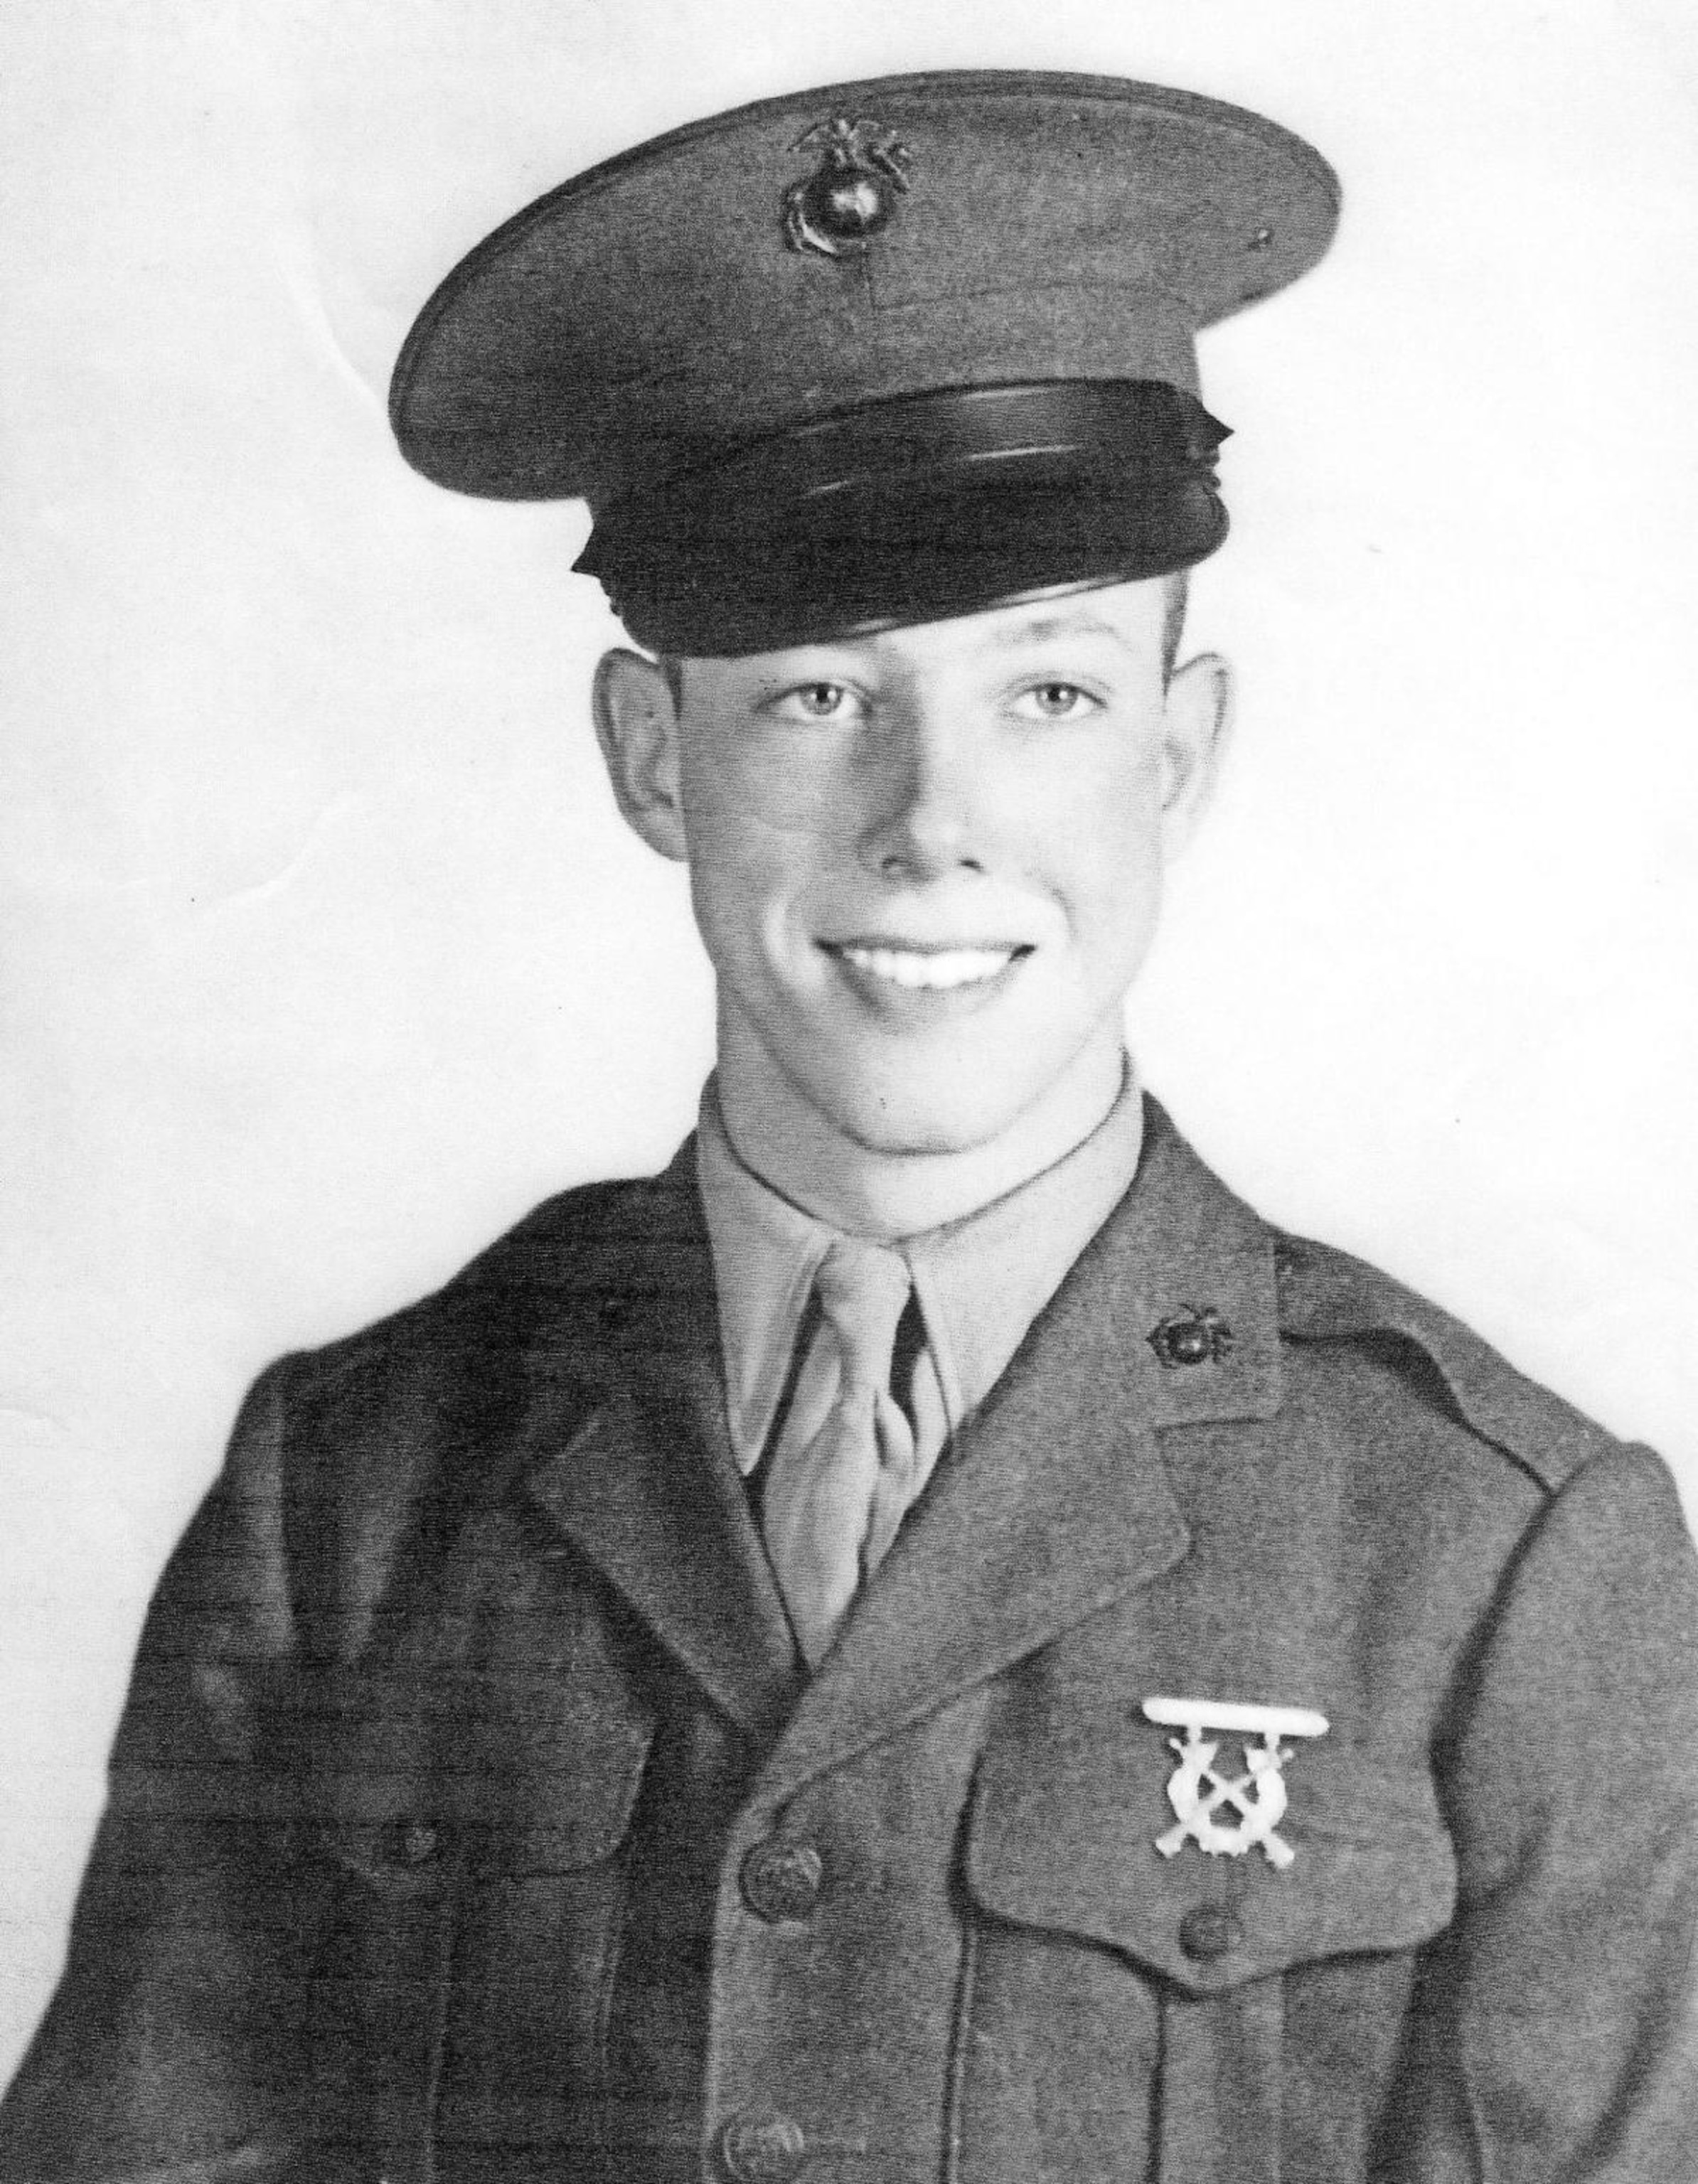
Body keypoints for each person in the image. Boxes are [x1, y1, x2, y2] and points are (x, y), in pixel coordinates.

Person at [2, 68, 1694, 2184]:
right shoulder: (349, 1497)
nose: (932, 825)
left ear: (1175, 759)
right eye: (816, 693)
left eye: (1046, 695)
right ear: (650, 756)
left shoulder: (1491, 1551)